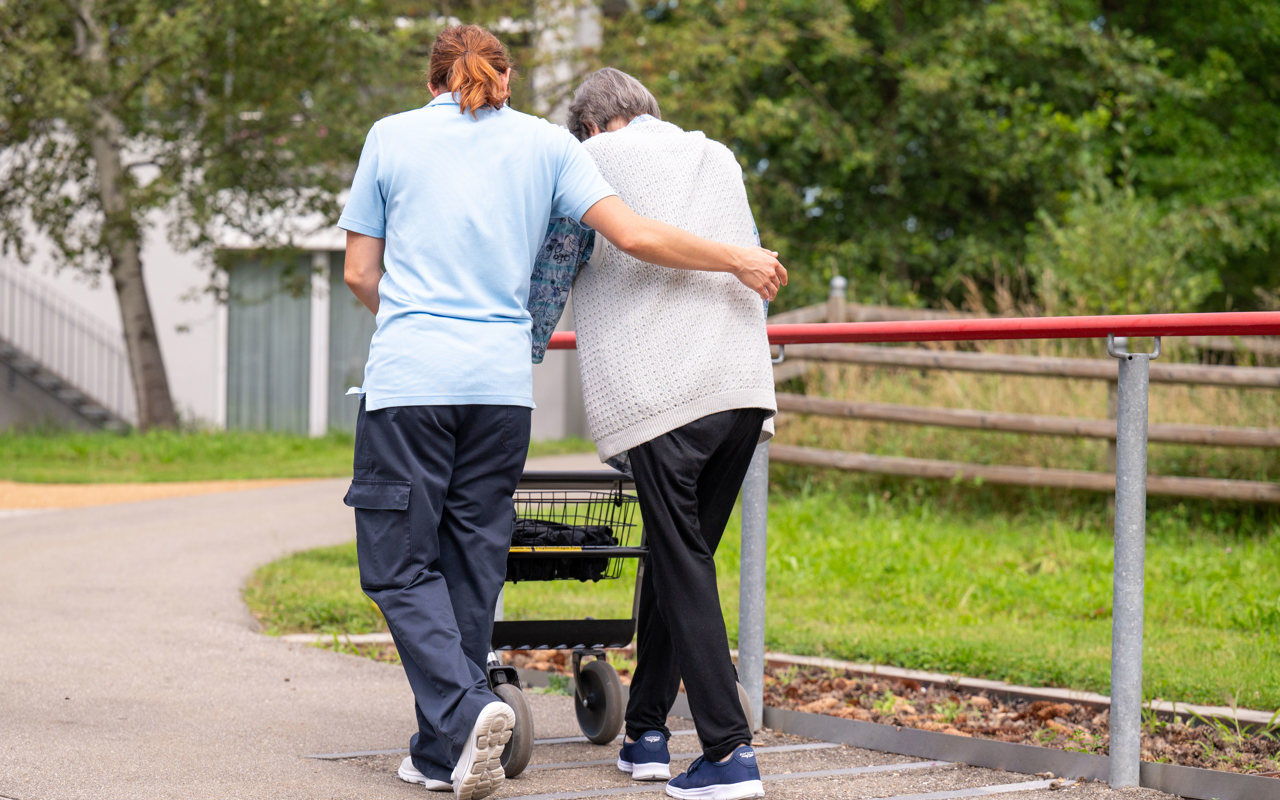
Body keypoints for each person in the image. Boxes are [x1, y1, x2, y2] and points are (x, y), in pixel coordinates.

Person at [337, 26, 786, 800]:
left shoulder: (398, 137)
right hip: (535, 387)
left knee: (398, 562)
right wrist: (741, 258)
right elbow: (643, 235)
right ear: (506, 79)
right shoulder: (566, 147)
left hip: (431, 379)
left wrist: (446, 321)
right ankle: (458, 744)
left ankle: (471, 706)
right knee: (478, 558)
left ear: (433, 79)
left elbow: (360, 272)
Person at [531, 68, 777, 800]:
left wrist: (519, 354)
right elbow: (752, 250)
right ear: (647, 112)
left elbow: (553, 270)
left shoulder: (591, 162)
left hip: (663, 391)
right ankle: (645, 732)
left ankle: (730, 753)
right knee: (684, 558)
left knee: (681, 562)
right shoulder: (719, 156)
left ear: (594, 127)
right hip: (740, 385)